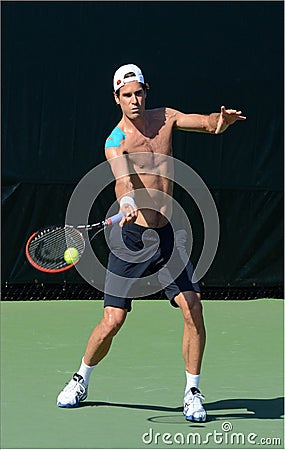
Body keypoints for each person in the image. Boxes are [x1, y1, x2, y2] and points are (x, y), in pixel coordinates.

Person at [57, 63, 246, 421]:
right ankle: (81, 378)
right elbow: (121, 179)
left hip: (167, 236)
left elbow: (206, 123)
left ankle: (192, 391)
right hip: (131, 239)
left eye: (139, 92)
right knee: (113, 321)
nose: (134, 100)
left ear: (147, 91)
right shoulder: (116, 141)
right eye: (126, 95)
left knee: (193, 307)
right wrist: (127, 200)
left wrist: (220, 122)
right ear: (116, 99)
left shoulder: (166, 118)